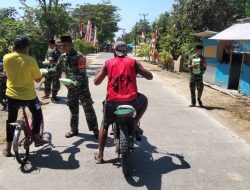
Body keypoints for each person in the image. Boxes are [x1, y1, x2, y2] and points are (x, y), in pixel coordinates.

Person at [93, 41, 153, 163]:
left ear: (114, 51)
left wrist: (97, 74)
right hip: (132, 101)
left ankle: (100, 155)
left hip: (112, 103)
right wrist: (142, 70)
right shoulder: (133, 62)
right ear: (126, 51)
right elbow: (150, 76)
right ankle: (135, 123)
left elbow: (96, 82)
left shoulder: (108, 63)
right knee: (144, 99)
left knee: (104, 125)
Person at [46, 35, 99, 138]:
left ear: (71, 45)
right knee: (73, 109)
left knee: (88, 110)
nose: (63, 47)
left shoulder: (80, 56)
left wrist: (73, 84)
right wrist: (46, 72)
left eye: (65, 45)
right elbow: (57, 70)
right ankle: (74, 129)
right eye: (61, 46)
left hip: (81, 87)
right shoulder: (62, 57)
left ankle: (96, 130)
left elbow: (82, 74)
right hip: (70, 88)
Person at [3, 35, 44, 157]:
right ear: (26, 48)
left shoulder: (6, 58)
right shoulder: (31, 60)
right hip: (29, 97)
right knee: (37, 113)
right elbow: (37, 79)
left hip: (11, 96)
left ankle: (8, 149)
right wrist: (42, 73)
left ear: (14, 46)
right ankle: (36, 136)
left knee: (11, 120)